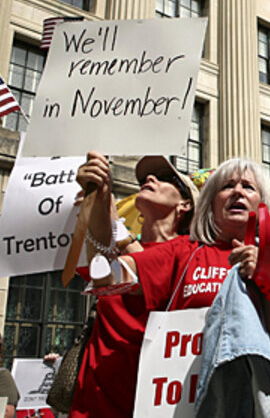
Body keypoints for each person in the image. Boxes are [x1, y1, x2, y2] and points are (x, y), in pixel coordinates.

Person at [82, 156, 270, 378]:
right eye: (227, 186)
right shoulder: (184, 252)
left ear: (263, 203)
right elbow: (108, 275)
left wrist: (269, 285)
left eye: (248, 187)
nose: (237, 191)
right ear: (210, 203)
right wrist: (98, 203)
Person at [68, 154, 199, 418]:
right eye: (146, 177)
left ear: (185, 204)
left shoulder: (190, 254)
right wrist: (97, 201)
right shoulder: (117, 245)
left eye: (165, 178)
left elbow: (140, 269)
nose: (149, 179)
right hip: (90, 406)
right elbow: (98, 266)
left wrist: (112, 221)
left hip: (148, 408)